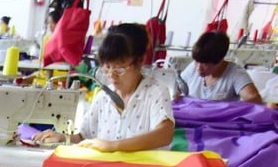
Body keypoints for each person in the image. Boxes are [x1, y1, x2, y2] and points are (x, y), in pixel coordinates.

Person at [33, 23, 174, 152]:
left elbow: (164, 134)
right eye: (107, 68)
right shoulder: (104, 97)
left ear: (141, 61)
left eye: (119, 69)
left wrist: (114, 146)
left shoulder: (155, 92)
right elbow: (85, 136)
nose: (112, 76)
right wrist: (63, 138)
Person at [181, 31, 262, 103]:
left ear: (220, 60)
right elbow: (177, 88)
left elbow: (254, 99)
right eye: (196, 61)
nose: (198, 68)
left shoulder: (235, 73)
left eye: (205, 64)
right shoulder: (192, 68)